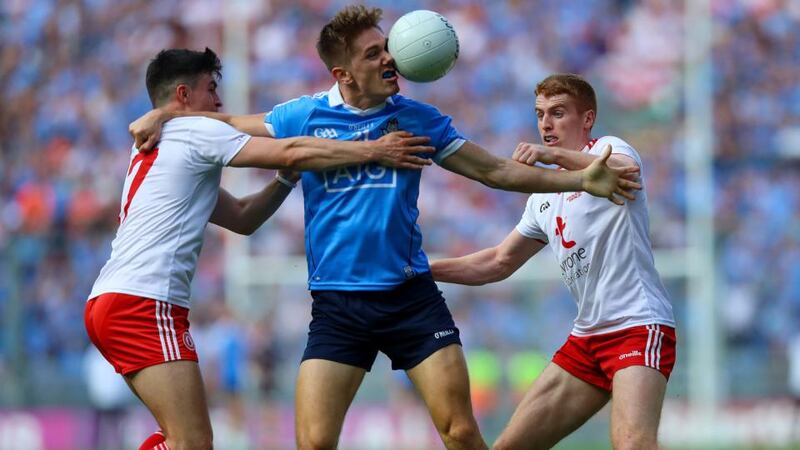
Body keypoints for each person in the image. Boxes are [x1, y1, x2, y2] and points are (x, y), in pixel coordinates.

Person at [128, 8, 641, 449]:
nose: (388, 59)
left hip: (409, 298)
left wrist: (579, 179)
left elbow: (494, 170)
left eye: (387, 48)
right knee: (313, 441)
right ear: (343, 73)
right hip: (337, 305)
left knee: (461, 432)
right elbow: (227, 123)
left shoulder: (418, 118)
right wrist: (163, 117)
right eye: (373, 54)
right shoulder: (302, 115)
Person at [85, 47, 436, 450]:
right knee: (191, 442)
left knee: (183, 439)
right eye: (210, 89)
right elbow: (290, 148)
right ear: (183, 94)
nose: (218, 102)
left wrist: (286, 181)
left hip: (115, 300)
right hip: (142, 302)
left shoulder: (168, 146)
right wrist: (374, 150)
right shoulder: (194, 131)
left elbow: (242, 217)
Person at [430, 73, 677, 450]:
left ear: (588, 118)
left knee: (632, 444)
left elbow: (618, 171)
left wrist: (549, 155)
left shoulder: (610, 148)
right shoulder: (544, 198)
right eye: (540, 114)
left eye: (558, 113)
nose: (546, 123)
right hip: (587, 338)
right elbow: (498, 261)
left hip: (637, 325)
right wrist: (424, 270)